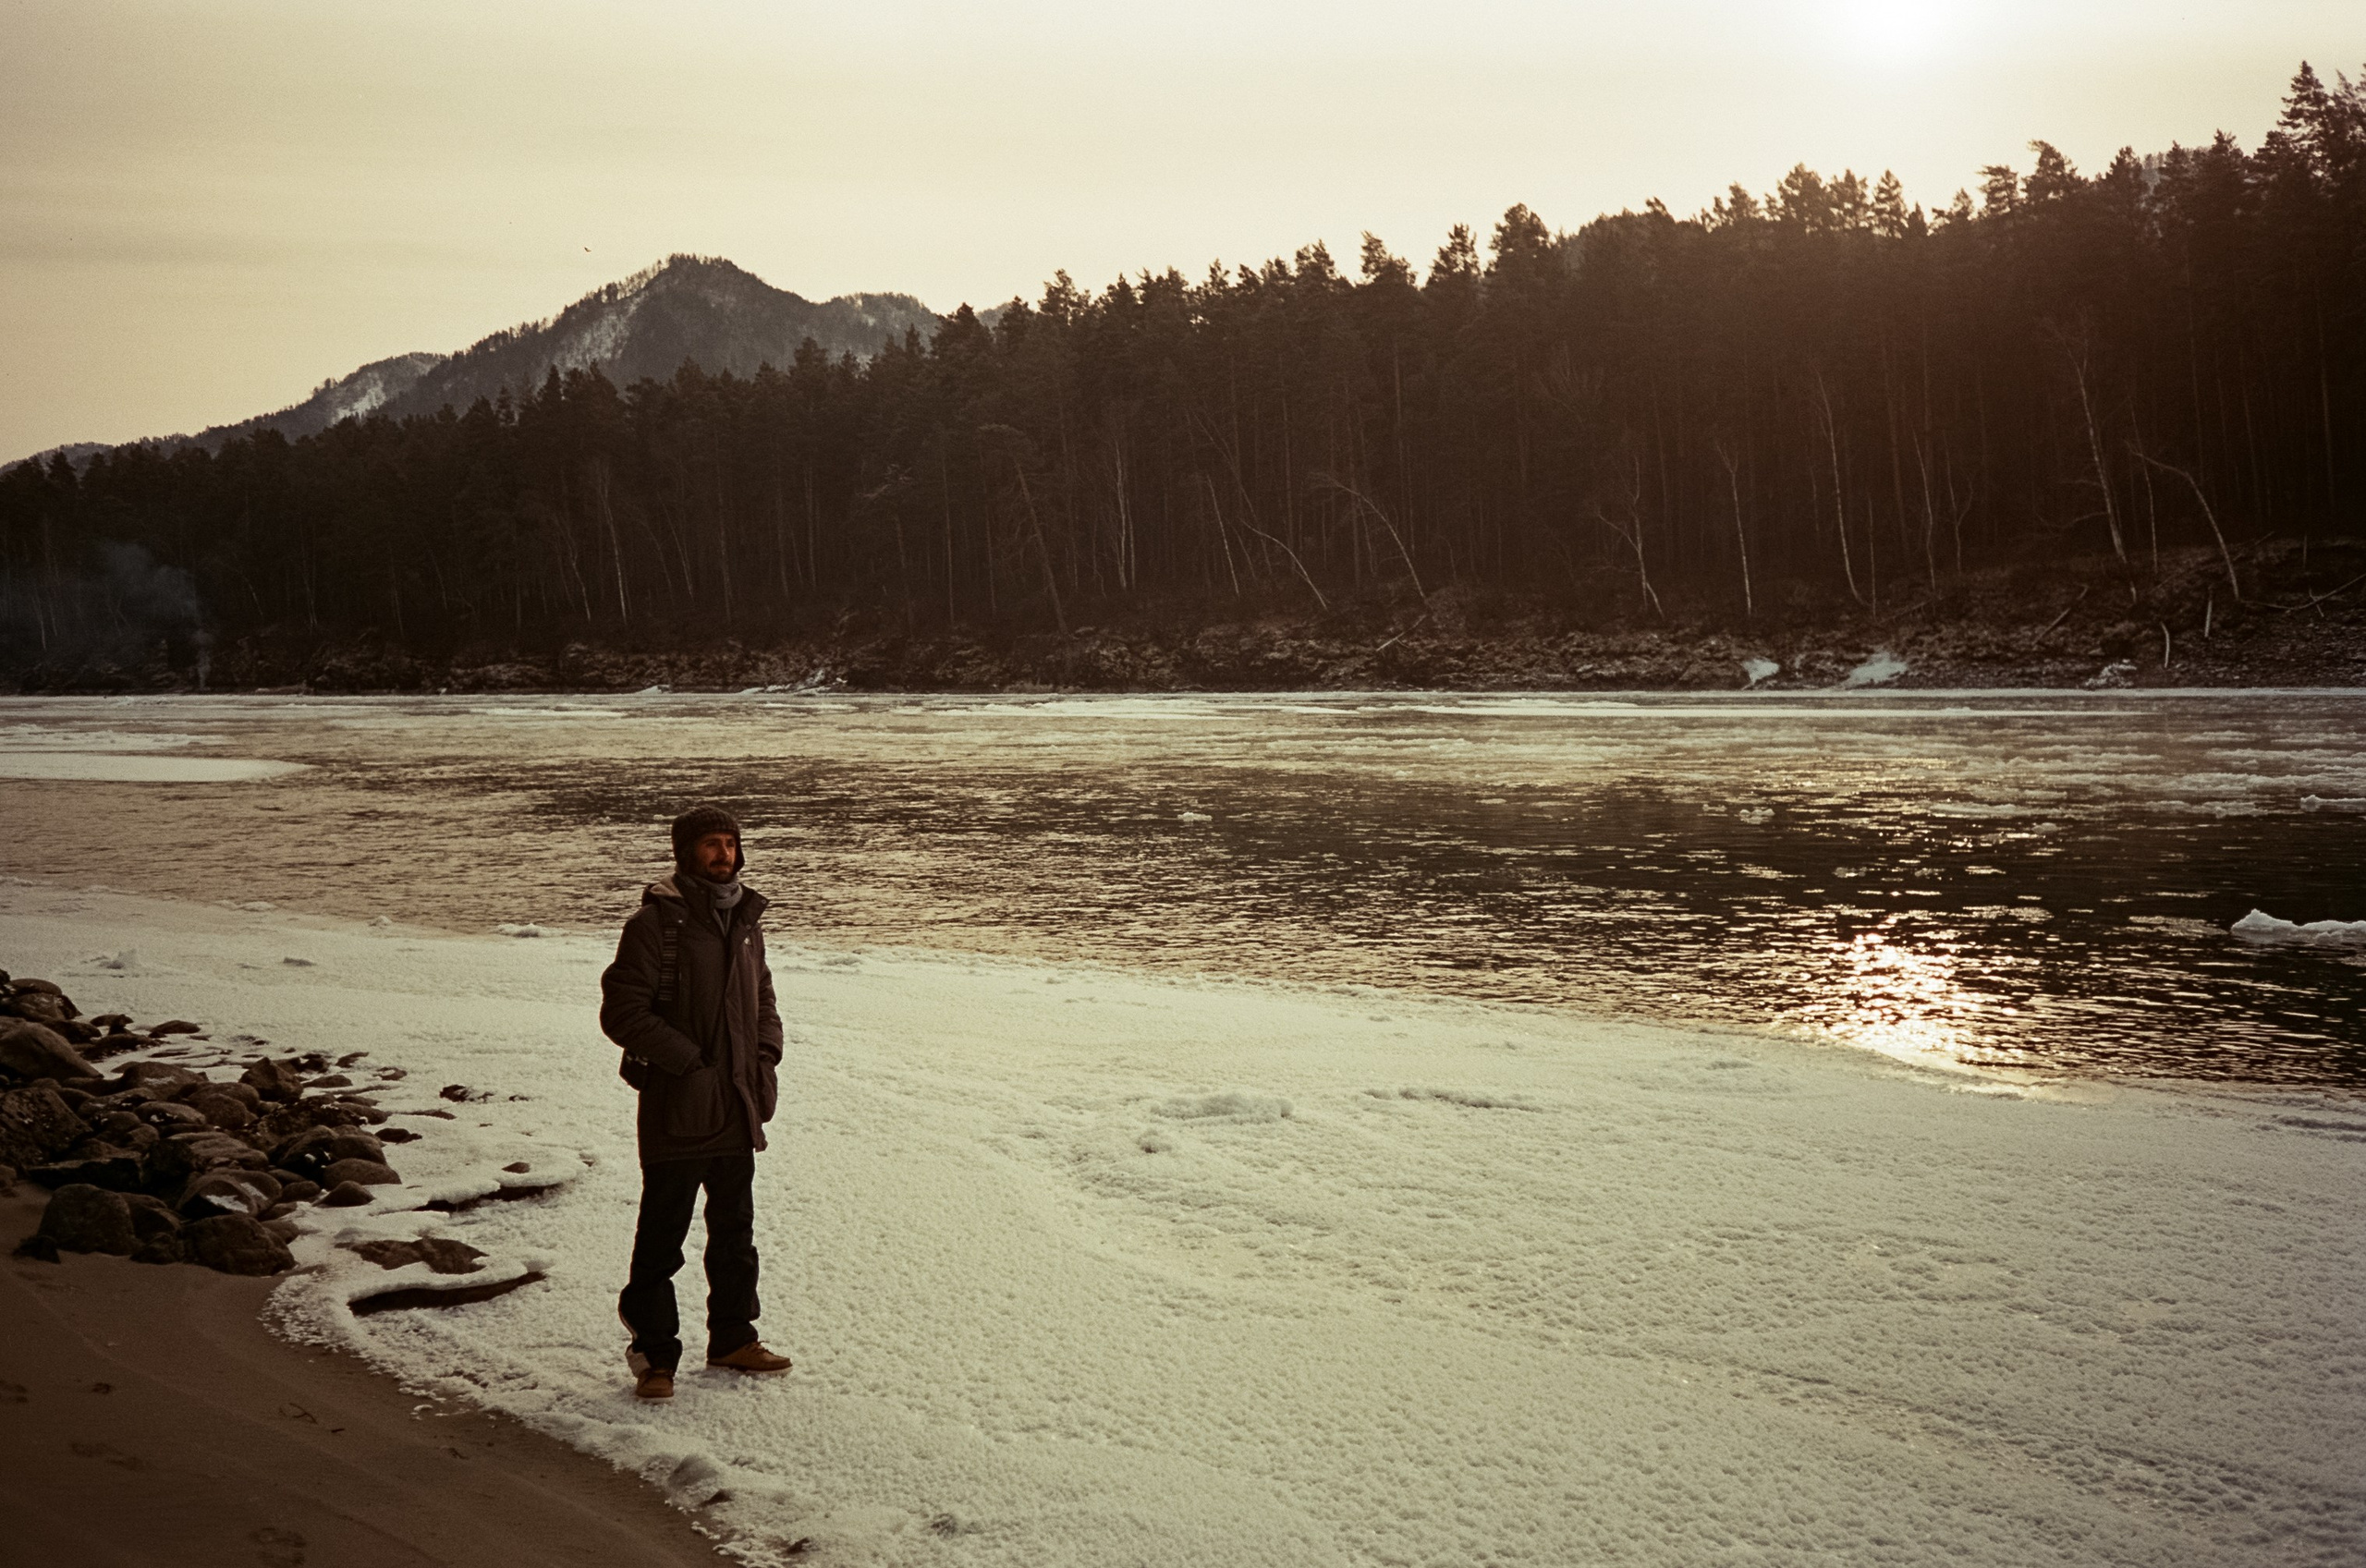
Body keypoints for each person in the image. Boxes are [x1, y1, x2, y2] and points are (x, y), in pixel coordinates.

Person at [599, 805, 792, 1400]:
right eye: (712, 844)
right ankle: (655, 1358)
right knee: (663, 1238)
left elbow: (762, 996)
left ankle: (734, 1337)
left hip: (736, 1106)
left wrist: (764, 1058)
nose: (724, 854)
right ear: (687, 851)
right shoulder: (655, 924)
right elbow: (622, 1012)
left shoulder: (746, 920)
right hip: (677, 1109)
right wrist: (691, 1064)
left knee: (735, 1233)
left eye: (731, 843)